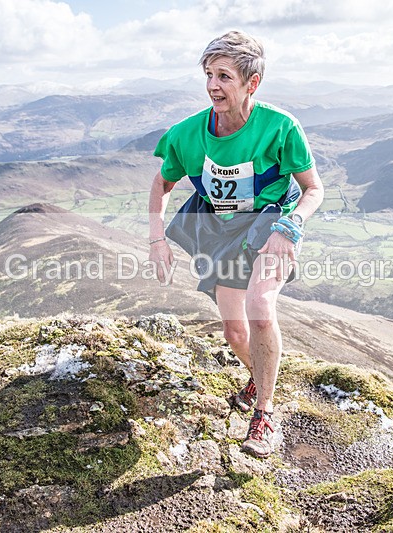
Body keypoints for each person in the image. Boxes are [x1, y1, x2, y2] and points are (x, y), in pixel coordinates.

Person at [147, 31, 324, 459]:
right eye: (208, 74)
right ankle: (260, 377)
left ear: (252, 83)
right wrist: (156, 238)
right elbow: (162, 182)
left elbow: (313, 189)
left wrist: (291, 225)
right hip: (219, 230)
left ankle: (263, 413)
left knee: (261, 309)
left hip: (270, 224)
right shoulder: (187, 134)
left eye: (224, 76)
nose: (212, 85)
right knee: (234, 330)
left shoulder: (280, 127)